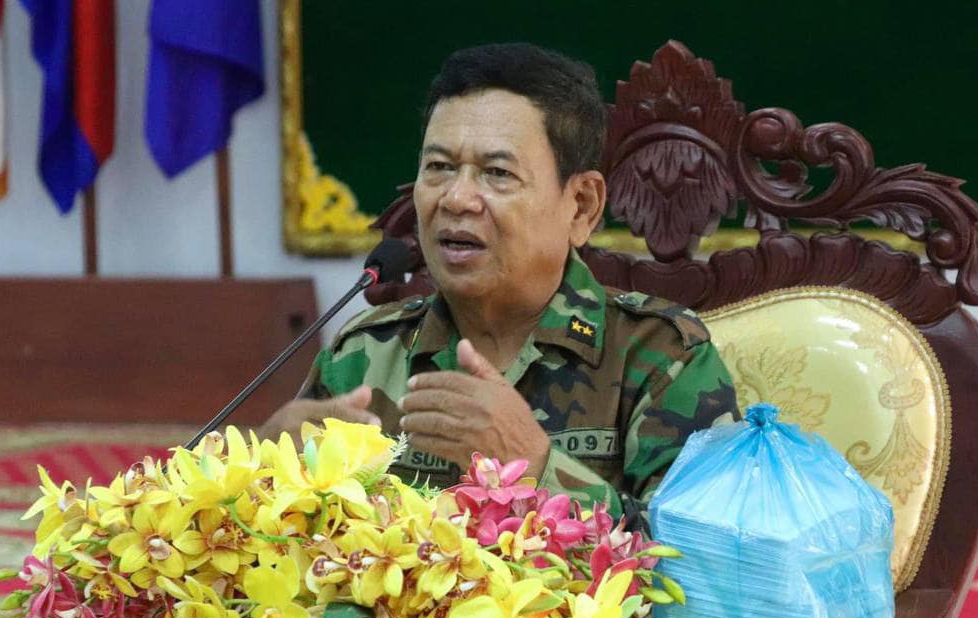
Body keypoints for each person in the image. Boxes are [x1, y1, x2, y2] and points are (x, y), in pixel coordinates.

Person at [262, 43, 739, 515]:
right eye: (439, 167)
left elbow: (707, 554)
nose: (456, 199)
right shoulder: (363, 356)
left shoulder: (661, 356)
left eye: (497, 173)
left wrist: (537, 469)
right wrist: (264, 480)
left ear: (582, 206)